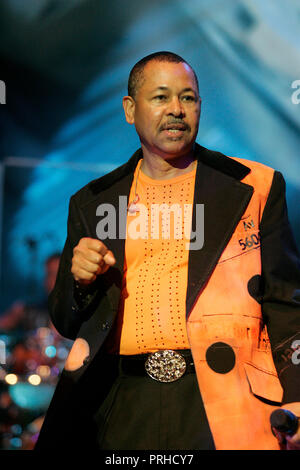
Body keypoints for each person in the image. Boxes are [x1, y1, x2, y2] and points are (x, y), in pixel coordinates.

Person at [35, 52, 300, 451]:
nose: (177, 109)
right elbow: (67, 322)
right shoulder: (95, 202)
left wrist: (297, 393)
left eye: (188, 98)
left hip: (225, 402)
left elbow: (287, 305)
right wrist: (79, 279)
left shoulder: (254, 187)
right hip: (122, 402)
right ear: (130, 109)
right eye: (161, 97)